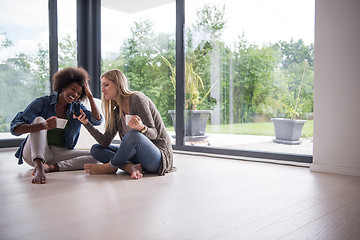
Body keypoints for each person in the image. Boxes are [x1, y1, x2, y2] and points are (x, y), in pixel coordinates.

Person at [10, 67, 103, 184]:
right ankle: (39, 166)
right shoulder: (43, 102)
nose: (75, 95)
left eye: (79, 93)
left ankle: (51, 167)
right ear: (63, 86)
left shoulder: (76, 107)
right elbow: (15, 128)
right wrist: (44, 125)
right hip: (34, 154)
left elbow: (97, 121)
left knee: (97, 155)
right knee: (39, 120)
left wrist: (89, 96)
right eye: (73, 89)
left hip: (59, 153)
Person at [79, 69, 175, 179]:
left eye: (106, 85)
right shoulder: (116, 111)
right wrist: (86, 123)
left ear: (118, 84)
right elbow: (105, 142)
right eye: (102, 86)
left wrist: (142, 128)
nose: (102, 90)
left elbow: (154, 134)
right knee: (96, 149)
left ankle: (111, 166)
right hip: (137, 157)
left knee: (133, 135)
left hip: (158, 157)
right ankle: (129, 167)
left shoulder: (137, 99)